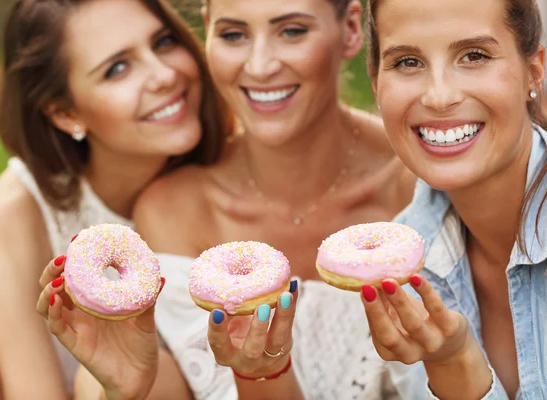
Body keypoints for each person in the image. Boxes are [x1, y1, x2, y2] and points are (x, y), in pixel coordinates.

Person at [38, 0, 416, 399]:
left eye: (291, 31)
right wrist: (125, 391)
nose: (259, 66)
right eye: (234, 35)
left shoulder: (418, 185)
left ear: (352, 28)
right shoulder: (173, 211)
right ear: (208, 33)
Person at [0, 0, 232, 398]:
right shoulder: (14, 217)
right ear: (65, 113)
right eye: (117, 68)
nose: (164, 75)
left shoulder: (233, 169)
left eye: (162, 42)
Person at [355, 0, 547, 398]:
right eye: (407, 62)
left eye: (474, 55)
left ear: (534, 71)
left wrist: (457, 369)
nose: (439, 96)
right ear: (376, 83)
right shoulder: (399, 262)